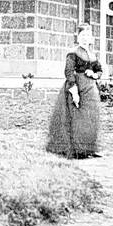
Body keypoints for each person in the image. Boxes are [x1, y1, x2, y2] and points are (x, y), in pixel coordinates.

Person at [47, 23, 103, 158]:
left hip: (91, 90)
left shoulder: (92, 54)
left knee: (90, 118)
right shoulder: (73, 53)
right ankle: (78, 150)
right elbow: (68, 71)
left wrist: (94, 74)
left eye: (88, 35)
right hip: (78, 87)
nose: (85, 38)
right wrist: (74, 90)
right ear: (78, 37)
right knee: (78, 118)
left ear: (91, 38)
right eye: (83, 35)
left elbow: (99, 70)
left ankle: (88, 148)